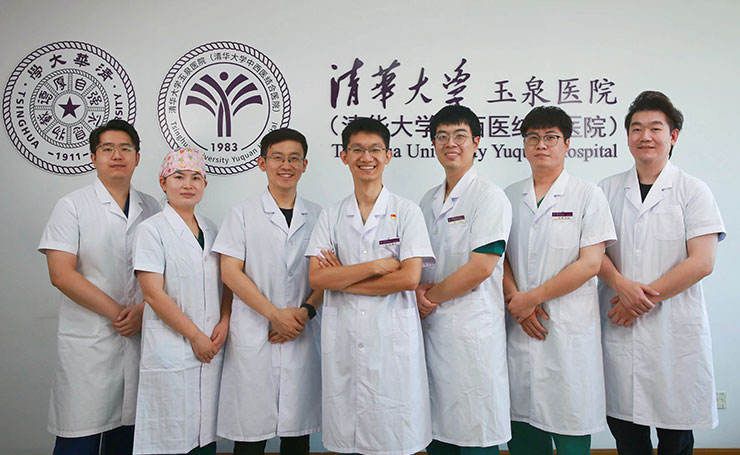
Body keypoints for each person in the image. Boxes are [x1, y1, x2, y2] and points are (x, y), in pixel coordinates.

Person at [597, 91, 725, 455]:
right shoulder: (606, 190)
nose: (645, 136)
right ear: (627, 137)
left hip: (673, 333)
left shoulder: (693, 190)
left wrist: (638, 301)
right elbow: (593, 253)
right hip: (619, 326)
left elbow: (702, 262)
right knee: (627, 436)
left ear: (673, 136)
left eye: (655, 128)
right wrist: (622, 286)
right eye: (637, 128)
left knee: (676, 440)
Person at [306, 117, 435, 455]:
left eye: (375, 149)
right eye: (358, 150)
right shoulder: (331, 215)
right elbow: (317, 278)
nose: (367, 157)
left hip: (391, 342)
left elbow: (408, 278)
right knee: (347, 439)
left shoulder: (406, 212)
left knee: (394, 436)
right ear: (344, 156)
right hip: (345, 341)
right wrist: (374, 268)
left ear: (388, 156)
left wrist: (342, 278)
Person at [38, 119, 160, 455]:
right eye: (108, 149)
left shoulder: (152, 207)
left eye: (125, 149)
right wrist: (121, 314)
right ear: (94, 157)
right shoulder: (72, 206)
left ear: (137, 157)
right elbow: (61, 274)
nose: (117, 155)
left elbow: (166, 272)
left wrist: (143, 311)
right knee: (80, 439)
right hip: (89, 343)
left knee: (128, 440)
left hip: (139, 338)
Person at [502, 106, 616, 455]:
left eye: (551, 137)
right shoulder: (508, 196)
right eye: (533, 138)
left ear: (567, 144)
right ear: (524, 145)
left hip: (568, 330)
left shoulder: (587, 195)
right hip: (520, 325)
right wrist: (518, 302)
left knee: (571, 425)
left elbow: (590, 263)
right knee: (523, 427)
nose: (542, 145)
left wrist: (531, 298)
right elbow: (499, 258)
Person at [214, 128, 323, 455]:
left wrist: (302, 314)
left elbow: (328, 277)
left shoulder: (319, 215)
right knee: (250, 435)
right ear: (262, 163)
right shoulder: (242, 214)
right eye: (277, 157)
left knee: (297, 436)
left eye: (294, 158)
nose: (285, 165)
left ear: (305, 165)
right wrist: (275, 315)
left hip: (301, 332)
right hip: (255, 332)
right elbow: (230, 273)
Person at [416, 105, 512, 455]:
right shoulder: (427, 200)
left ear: (476, 142)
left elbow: (481, 268)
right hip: (432, 332)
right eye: (442, 136)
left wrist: (429, 298)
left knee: (475, 433)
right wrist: (417, 292)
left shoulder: (489, 196)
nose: (450, 143)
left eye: (459, 135)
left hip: (473, 334)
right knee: (437, 433)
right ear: (433, 144)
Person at [132, 148, 231, 455]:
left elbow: (227, 281)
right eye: (178, 177)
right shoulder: (151, 230)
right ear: (163, 183)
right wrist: (195, 336)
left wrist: (225, 320)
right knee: (171, 438)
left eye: (196, 178)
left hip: (211, 346)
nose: (188, 184)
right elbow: (153, 293)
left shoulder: (211, 228)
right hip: (172, 348)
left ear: (204, 184)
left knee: (204, 437)